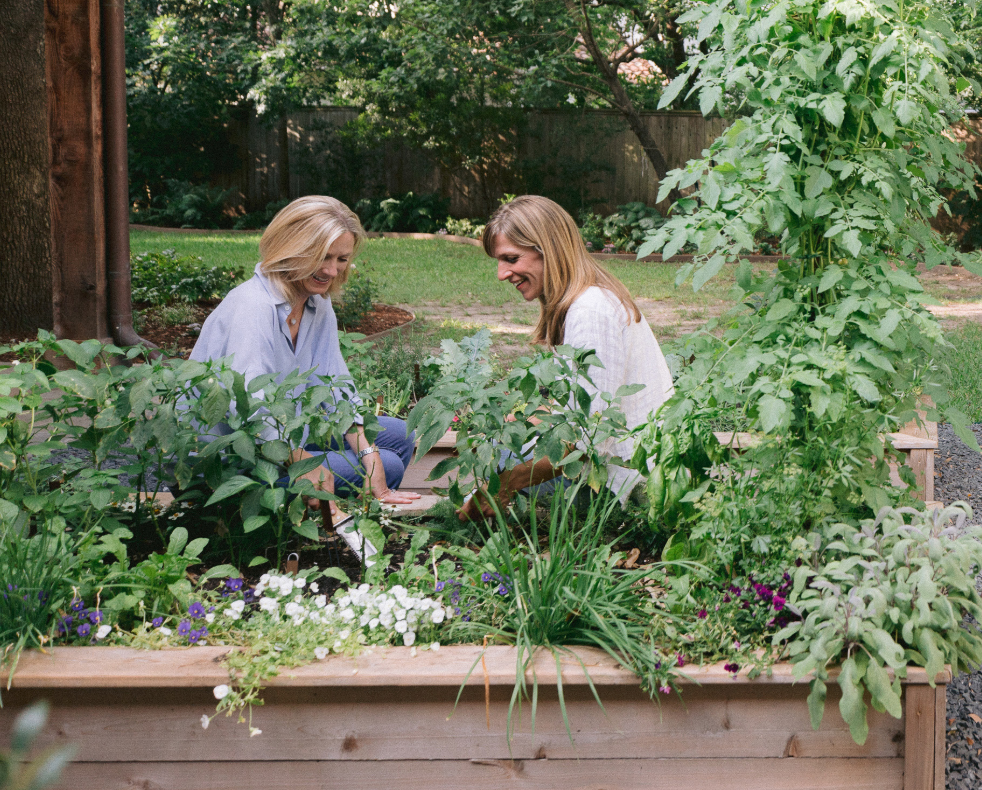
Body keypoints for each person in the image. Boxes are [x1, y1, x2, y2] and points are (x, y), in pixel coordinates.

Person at [189, 195, 420, 515]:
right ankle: (263, 516)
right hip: (232, 459)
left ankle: (339, 509)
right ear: (290, 247)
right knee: (391, 466)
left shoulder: (317, 304)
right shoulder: (253, 308)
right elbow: (251, 413)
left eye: (342, 259)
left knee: (398, 439)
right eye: (321, 256)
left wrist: (370, 460)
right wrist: (301, 461)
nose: (331, 270)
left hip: (288, 428)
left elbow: (336, 387)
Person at [459, 195, 674, 520]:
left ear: (548, 250)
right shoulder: (583, 300)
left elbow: (587, 440)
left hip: (623, 483)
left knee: (502, 465)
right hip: (611, 466)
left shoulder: (590, 313)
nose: (502, 274)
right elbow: (572, 407)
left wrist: (506, 484)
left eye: (511, 259)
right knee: (499, 442)